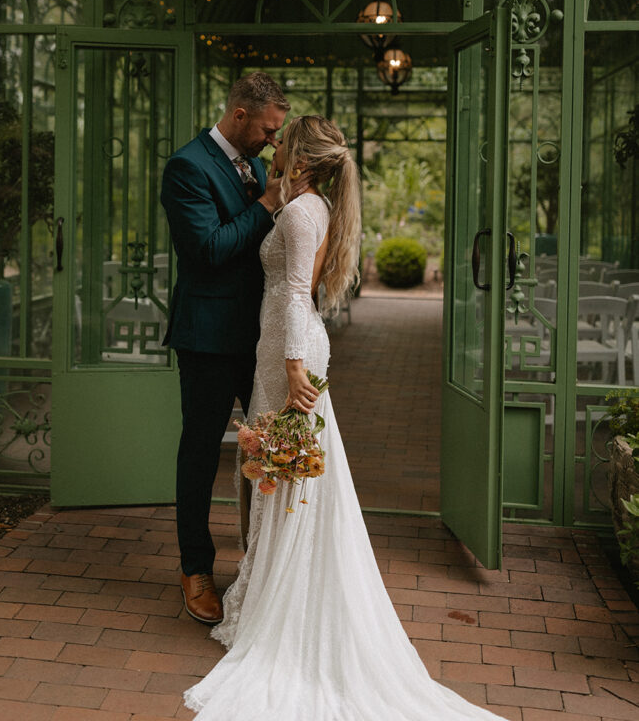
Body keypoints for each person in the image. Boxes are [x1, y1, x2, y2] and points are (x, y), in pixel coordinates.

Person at [183, 115, 508, 721]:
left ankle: (280, 606)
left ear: (301, 158)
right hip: (282, 349)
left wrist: (295, 365)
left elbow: (294, 293)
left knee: (283, 473)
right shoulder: (306, 205)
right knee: (277, 471)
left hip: (290, 353)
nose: (274, 147)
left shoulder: (304, 214)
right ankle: (272, 591)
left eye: (284, 142)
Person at [161, 71, 308, 626]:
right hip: (210, 337)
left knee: (272, 447)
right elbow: (207, 250)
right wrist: (268, 202)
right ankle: (196, 568)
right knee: (201, 453)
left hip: (264, 335)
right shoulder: (187, 167)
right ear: (240, 116)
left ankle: (264, 567)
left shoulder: (260, 164)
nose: (274, 140)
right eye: (268, 130)